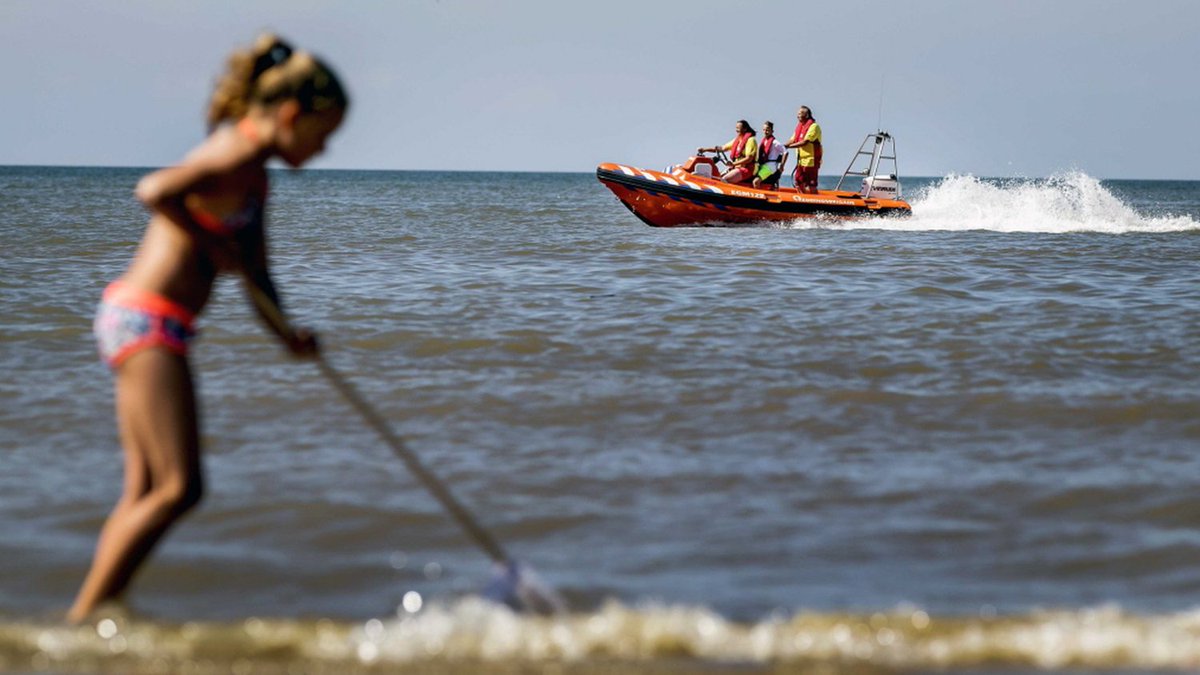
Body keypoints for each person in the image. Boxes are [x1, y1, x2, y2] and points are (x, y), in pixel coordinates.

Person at [67, 33, 348, 624]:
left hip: (142, 320)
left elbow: (258, 274)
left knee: (146, 491)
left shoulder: (256, 177)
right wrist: (208, 240)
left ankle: (92, 616)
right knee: (180, 488)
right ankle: (84, 618)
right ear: (291, 115)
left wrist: (286, 334)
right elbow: (154, 190)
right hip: (147, 319)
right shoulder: (236, 154)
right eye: (322, 137)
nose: (322, 152)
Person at [697, 120, 758, 184]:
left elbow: (749, 159)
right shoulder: (737, 140)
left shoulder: (751, 140)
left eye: (738, 128)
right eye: (736, 128)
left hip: (747, 169)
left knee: (724, 179)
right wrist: (704, 149)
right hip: (736, 167)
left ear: (745, 129)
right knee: (717, 177)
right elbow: (722, 148)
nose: (736, 130)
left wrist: (733, 164)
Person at [785, 106, 822, 194]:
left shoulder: (814, 127)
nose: (798, 116)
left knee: (811, 184)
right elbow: (792, 140)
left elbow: (805, 142)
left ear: (807, 114)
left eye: (800, 113)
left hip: (811, 160)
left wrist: (789, 147)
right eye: (797, 114)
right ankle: (804, 199)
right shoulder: (800, 127)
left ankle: (815, 203)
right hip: (801, 161)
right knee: (798, 182)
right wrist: (783, 146)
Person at [752, 120, 788, 189]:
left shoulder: (775, 142)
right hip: (762, 166)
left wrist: (782, 165)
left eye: (768, 130)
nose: (765, 132)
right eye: (764, 130)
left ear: (772, 131)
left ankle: (758, 197)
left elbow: (785, 152)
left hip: (770, 167)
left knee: (756, 182)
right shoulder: (764, 141)